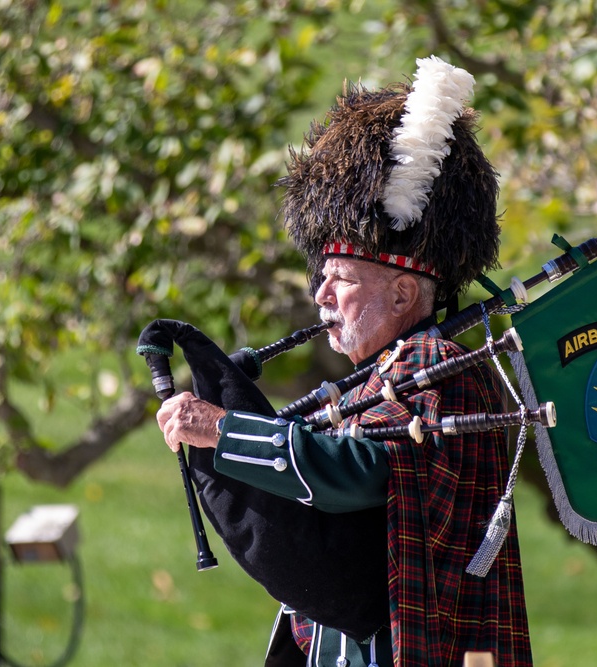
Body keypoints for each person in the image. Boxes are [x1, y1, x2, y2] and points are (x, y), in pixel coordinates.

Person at [156, 56, 532, 667]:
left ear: (403, 293)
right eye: (321, 279)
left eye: (340, 280)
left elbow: (363, 469)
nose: (321, 297)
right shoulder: (386, 372)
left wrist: (224, 432)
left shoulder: (439, 364)